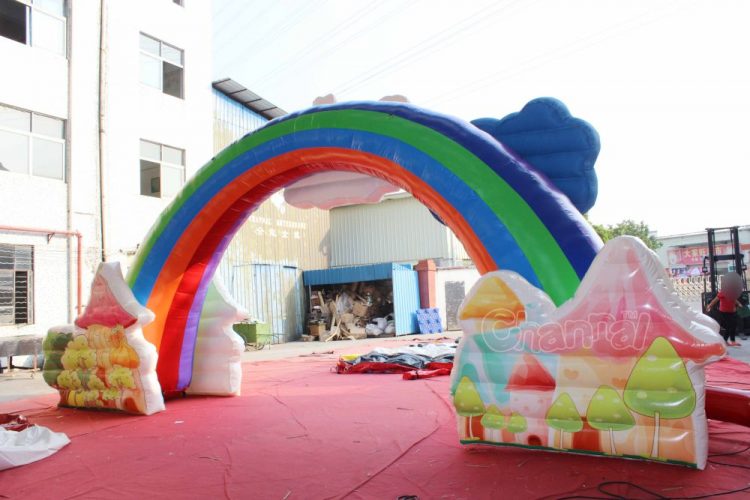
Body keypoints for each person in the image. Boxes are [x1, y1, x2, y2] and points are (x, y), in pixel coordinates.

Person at [707, 273, 744, 346]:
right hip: (724, 312)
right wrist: (710, 305)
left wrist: (739, 304)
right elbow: (715, 300)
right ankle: (725, 341)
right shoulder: (723, 292)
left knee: (733, 325)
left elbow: (734, 299)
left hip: (733, 311)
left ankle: (732, 341)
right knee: (729, 326)